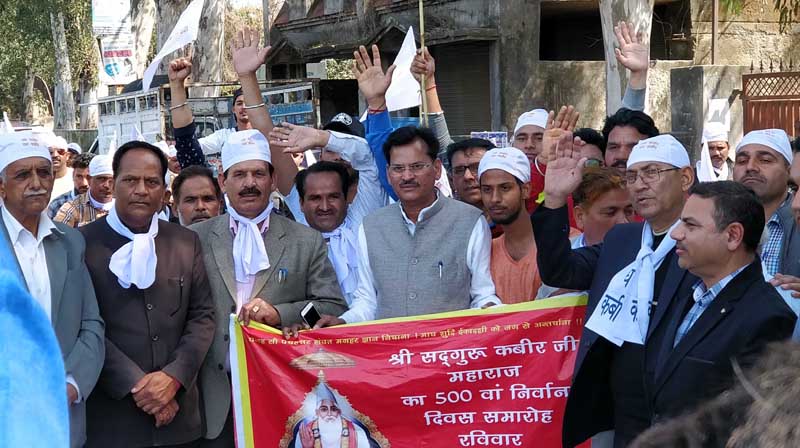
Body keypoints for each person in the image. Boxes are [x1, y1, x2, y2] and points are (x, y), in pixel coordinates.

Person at [533, 133, 699, 447]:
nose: (639, 184)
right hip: (622, 410)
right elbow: (560, 270)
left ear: (686, 177)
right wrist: (554, 198)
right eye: (632, 176)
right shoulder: (622, 239)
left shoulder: (706, 239)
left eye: (652, 172)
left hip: (682, 410)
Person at [191, 129, 347, 447]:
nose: (250, 183)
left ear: (273, 180)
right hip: (212, 397)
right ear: (223, 181)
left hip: (283, 396)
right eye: (240, 174)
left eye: (258, 173)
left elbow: (331, 306)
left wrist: (280, 314)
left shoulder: (305, 240)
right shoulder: (195, 237)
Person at [81, 141, 215, 448]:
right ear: (113, 185)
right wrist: (138, 385)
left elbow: (202, 317)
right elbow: (84, 324)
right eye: (131, 180)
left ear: (164, 192)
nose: (141, 190)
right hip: (113, 421)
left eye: (152, 182)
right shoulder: (82, 244)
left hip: (180, 419)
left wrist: (173, 378)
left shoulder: (185, 242)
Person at [316, 126, 500, 328]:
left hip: (449, 352)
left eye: (417, 166)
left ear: (437, 168)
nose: (407, 176)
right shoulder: (371, 227)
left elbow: (483, 295)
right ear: (388, 173)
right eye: (398, 168)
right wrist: (343, 321)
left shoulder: (470, 221)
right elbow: (367, 301)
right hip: (390, 353)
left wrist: (493, 310)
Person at [0, 131, 105, 448]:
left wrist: (71, 384)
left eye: (44, 172)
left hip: (61, 416)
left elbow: (91, 324)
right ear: (1, 186)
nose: (37, 183)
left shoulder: (70, 241)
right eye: (23, 175)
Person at [536, 167, 633, 299]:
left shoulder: (643, 250)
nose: (623, 222)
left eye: (629, 211)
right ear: (580, 216)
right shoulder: (557, 256)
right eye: (610, 213)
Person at [732, 129, 800, 279]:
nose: (750, 167)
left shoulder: (797, 219)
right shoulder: (719, 221)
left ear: (789, 171)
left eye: (765, 160)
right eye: (742, 161)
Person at [479, 147, 542, 303]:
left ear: (526, 190)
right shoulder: (485, 251)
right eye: (487, 189)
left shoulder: (566, 242)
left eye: (505, 188)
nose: (495, 199)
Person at [290, 384, 376, 448]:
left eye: (333, 409)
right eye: (324, 409)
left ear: (339, 411)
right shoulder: (305, 433)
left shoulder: (356, 431)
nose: (329, 413)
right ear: (317, 412)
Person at [55, 154, 114, 228]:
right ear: (89, 179)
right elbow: (58, 237)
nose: (107, 185)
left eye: (111, 180)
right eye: (102, 179)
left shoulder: (124, 206)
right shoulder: (72, 209)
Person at [447, 138, 496, 210]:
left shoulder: (516, 216)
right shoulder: (441, 219)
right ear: (451, 180)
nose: (467, 176)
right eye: (459, 170)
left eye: (477, 168)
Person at [49, 152, 92, 218]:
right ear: (73, 175)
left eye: (89, 177)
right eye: (79, 176)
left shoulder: (107, 205)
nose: (84, 183)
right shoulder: (57, 205)